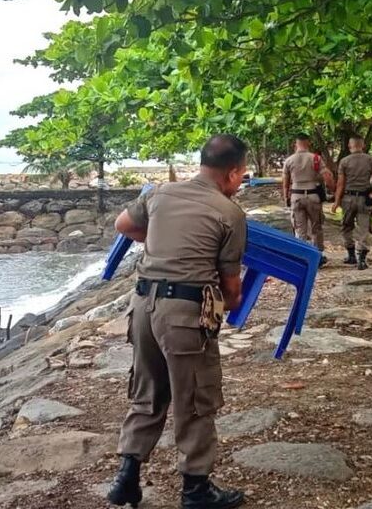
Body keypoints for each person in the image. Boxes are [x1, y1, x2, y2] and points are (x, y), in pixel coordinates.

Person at [107, 134, 248, 509]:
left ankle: (127, 478)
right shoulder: (230, 212)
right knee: (195, 400)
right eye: (242, 175)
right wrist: (229, 306)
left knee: (147, 393)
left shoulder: (160, 194)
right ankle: (196, 491)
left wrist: (159, 241)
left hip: (142, 307)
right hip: (184, 315)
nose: (242, 181)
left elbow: (123, 225)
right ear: (232, 173)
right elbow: (231, 290)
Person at [331, 136, 372, 270]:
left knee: (346, 226)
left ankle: (351, 255)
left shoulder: (344, 161)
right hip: (365, 198)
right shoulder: (371, 160)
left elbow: (340, 183)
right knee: (363, 228)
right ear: (363, 146)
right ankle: (362, 260)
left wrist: (336, 201)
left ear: (350, 146)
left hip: (348, 198)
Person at [283, 133, 334, 265]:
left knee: (300, 229)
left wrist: (285, 197)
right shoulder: (315, 158)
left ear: (296, 144)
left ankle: (302, 257)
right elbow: (327, 177)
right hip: (313, 196)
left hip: (296, 196)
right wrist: (333, 190)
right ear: (308, 143)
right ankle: (317, 257)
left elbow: (285, 182)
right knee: (316, 227)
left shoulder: (289, 160)